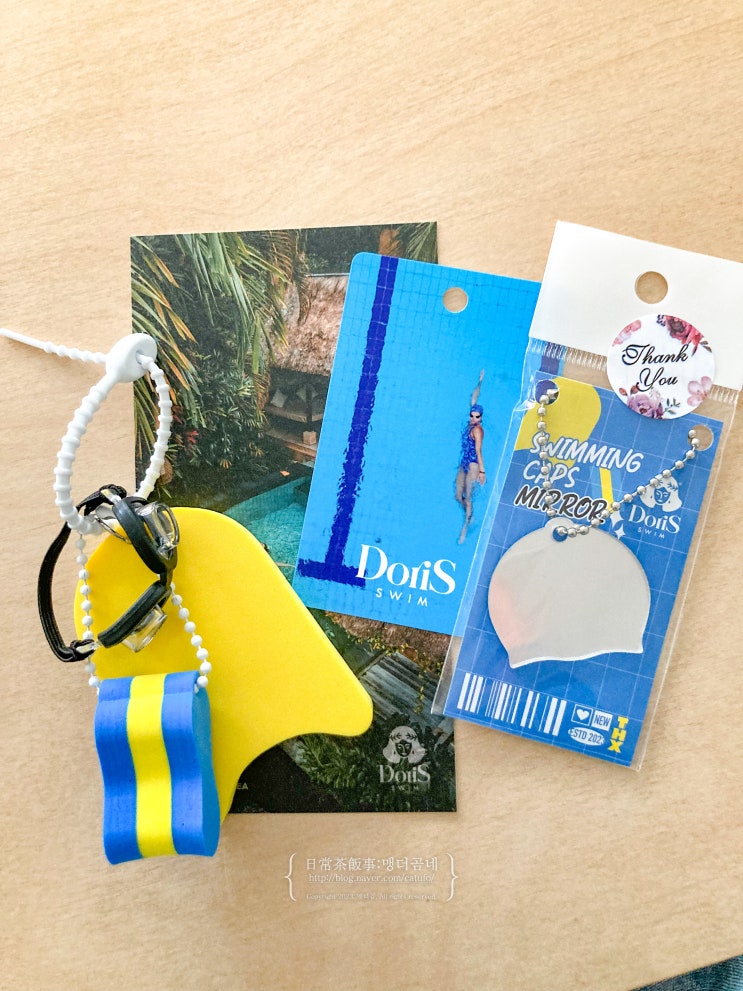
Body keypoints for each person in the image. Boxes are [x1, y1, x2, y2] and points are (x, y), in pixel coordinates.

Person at [455, 370, 486, 543]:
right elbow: (474, 398)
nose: (473, 419)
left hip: (474, 464)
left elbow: (479, 451)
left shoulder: (477, 430)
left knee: (468, 497)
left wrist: (482, 471)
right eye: (472, 415)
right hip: (464, 462)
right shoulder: (470, 422)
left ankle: (465, 528)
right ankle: (470, 515)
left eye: (477, 417)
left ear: (481, 418)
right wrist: (480, 382)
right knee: (458, 495)